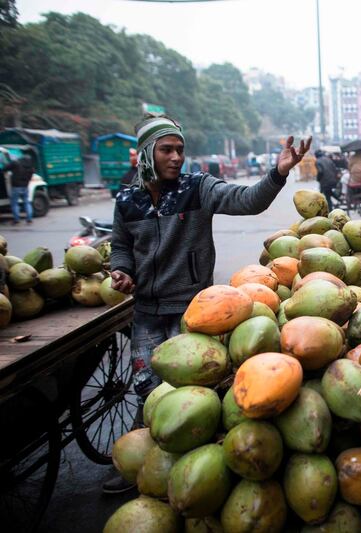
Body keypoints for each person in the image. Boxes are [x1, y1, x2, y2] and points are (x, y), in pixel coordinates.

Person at [105, 114, 310, 492]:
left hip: (193, 313)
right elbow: (120, 246)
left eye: (180, 149)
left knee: (197, 394)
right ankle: (140, 465)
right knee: (148, 390)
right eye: (167, 149)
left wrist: (277, 174)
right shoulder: (127, 200)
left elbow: (247, 200)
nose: (176, 157)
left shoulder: (196, 188)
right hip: (147, 313)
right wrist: (121, 270)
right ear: (147, 153)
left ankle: (189, 476)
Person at [6, 154, 35, 225]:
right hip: (25, 186)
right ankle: (29, 219)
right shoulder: (31, 167)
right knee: (27, 202)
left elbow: (5, 168)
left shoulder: (16, 163)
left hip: (16, 187)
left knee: (14, 203)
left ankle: (17, 220)